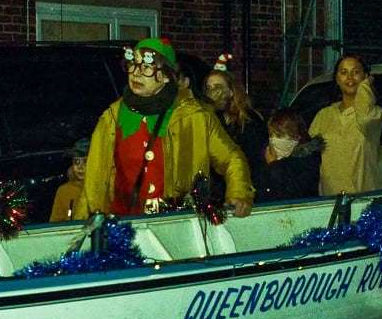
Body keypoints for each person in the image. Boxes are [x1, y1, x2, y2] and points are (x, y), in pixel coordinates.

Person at [83, 37, 254, 217]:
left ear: (166, 76)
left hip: (176, 223)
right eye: (133, 64)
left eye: (147, 68)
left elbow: (231, 157)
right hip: (125, 225)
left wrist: (239, 192)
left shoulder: (194, 116)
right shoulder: (112, 117)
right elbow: (93, 180)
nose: (136, 73)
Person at [309, 54, 382, 195]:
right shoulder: (324, 115)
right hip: (331, 200)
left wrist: (365, 87)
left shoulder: (376, 114)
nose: (350, 77)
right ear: (337, 79)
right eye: (344, 72)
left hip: (364, 198)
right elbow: (307, 153)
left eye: (356, 72)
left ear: (365, 76)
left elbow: (364, 118)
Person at [203, 53, 269, 166]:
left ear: (231, 92)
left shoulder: (249, 120)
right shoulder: (211, 117)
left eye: (218, 87)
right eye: (209, 88)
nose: (212, 93)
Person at [250, 108, 322, 202]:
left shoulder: (307, 161)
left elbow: (294, 192)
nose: (273, 140)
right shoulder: (265, 155)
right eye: (271, 135)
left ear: (296, 137)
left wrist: (273, 165)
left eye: (279, 135)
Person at [49, 138, 90, 222]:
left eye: (85, 162)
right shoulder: (64, 191)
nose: (80, 167)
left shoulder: (104, 187)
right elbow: (55, 224)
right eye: (76, 162)